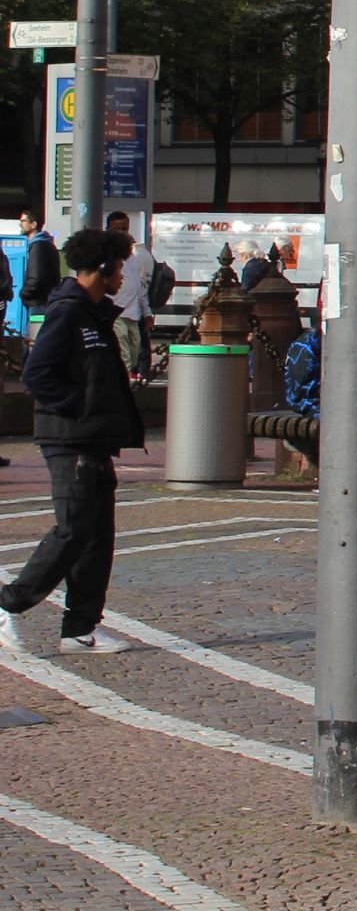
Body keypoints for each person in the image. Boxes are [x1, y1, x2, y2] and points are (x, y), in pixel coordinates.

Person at [2, 228, 144, 653]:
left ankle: (79, 629)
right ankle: (9, 605)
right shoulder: (69, 312)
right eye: (119, 268)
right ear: (102, 268)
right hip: (70, 439)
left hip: (95, 439)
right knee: (73, 529)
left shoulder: (95, 314)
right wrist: (76, 406)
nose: (123, 276)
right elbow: (36, 373)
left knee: (98, 535)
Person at [115, 230, 160, 384]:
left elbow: (139, 288)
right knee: (124, 351)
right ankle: (125, 378)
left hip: (133, 313)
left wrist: (147, 312)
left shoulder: (134, 260)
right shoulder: (114, 260)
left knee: (135, 349)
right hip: (118, 312)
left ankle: (128, 373)